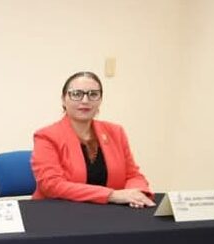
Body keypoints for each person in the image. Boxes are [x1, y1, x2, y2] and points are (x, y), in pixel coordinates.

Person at [32, 71, 154, 208]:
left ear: (100, 100)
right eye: (76, 94)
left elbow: (133, 175)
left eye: (93, 94)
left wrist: (136, 194)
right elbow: (51, 185)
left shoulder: (116, 132)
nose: (85, 101)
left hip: (109, 214)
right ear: (63, 99)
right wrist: (112, 195)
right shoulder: (46, 136)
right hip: (60, 212)